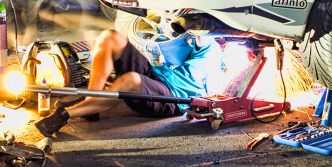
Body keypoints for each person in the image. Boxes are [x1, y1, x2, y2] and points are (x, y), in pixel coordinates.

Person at [34, 20, 224, 137]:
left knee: (131, 80)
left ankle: (64, 116)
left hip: (173, 98)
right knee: (111, 37)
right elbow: (202, 31)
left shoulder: (232, 75)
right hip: (158, 75)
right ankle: (90, 98)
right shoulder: (210, 48)